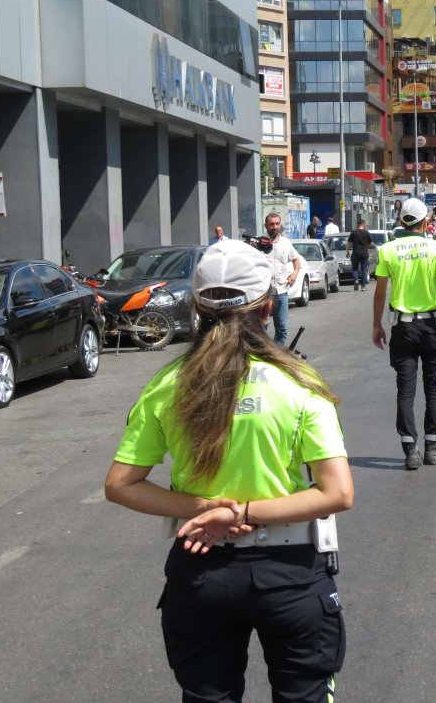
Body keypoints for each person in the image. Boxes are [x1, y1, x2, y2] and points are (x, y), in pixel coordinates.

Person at [104, 238, 354, 703]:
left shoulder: (165, 385)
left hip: (200, 571)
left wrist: (206, 508)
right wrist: (245, 510)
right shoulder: (300, 383)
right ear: (266, 308)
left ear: (197, 308)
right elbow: (337, 493)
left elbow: (121, 485)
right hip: (291, 574)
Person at [371, 198, 436, 470]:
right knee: (434, 387)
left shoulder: (387, 250)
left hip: (403, 328)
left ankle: (410, 450)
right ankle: (432, 447)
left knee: (406, 390)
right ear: (426, 223)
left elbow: (379, 293)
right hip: (432, 326)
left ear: (401, 221)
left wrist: (376, 325)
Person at [265, 212, 301, 344]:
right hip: (263, 293)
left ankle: (275, 357)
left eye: (277, 224)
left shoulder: (286, 243)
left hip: (281, 291)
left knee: (282, 329)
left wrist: (295, 273)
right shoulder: (259, 243)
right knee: (261, 328)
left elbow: (296, 260)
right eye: (271, 224)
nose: (274, 227)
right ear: (266, 226)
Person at [346, 220, 373, 292]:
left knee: (354, 269)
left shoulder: (353, 232)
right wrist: (369, 245)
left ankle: (356, 281)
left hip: (355, 253)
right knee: (364, 270)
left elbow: (348, 243)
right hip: (364, 254)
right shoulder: (367, 233)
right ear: (363, 225)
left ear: (358, 225)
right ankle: (363, 286)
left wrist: (347, 252)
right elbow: (372, 243)